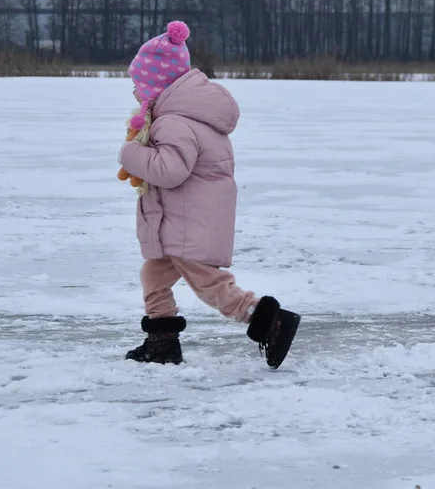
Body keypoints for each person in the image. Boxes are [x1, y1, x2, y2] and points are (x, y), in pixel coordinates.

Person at [118, 20, 300, 367]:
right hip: (186, 218)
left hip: (188, 221)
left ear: (157, 86)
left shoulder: (174, 122)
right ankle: (162, 341)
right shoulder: (189, 116)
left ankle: (266, 319)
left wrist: (131, 155)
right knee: (154, 276)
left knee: (210, 285)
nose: (135, 93)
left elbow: (170, 171)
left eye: (138, 85)